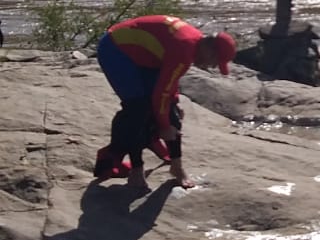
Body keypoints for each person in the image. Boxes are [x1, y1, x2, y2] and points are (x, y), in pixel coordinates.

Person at [93, 14, 236, 192]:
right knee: (138, 109)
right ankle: (136, 169)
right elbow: (161, 94)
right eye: (215, 62)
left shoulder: (193, 45)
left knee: (171, 109)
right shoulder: (184, 50)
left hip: (145, 54)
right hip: (116, 49)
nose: (211, 67)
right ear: (209, 50)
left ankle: (176, 166)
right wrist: (164, 126)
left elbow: (168, 83)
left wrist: (174, 103)